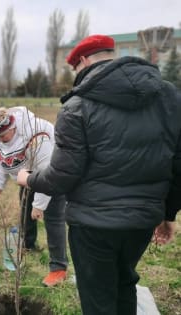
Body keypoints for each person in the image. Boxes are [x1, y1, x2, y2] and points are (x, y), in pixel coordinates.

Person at [16, 34, 181, 315]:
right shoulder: (168, 96)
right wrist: (168, 214)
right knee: (125, 282)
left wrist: (28, 179)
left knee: (97, 297)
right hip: (142, 220)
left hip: (93, 225)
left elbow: (63, 176)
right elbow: (177, 162)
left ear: (81, 61)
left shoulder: (77, 106)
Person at [0, 106, 68, 287]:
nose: (0, 139)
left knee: (53, 219)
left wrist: (39, 204)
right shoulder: (0, 133)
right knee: (25, 212)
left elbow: (46, 172)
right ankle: (29, 245)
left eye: (3, 136)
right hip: (27, 175)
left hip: (53, 174)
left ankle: (58, 268)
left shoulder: (36, 134)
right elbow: (3, 159)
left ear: (13, 128)